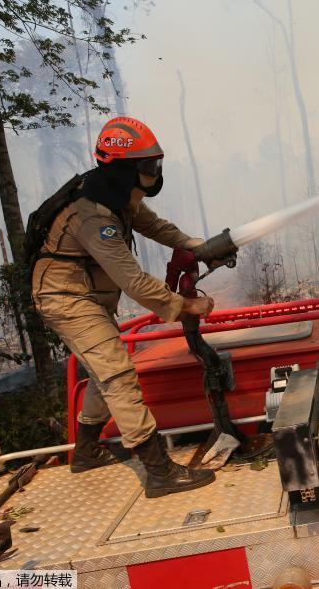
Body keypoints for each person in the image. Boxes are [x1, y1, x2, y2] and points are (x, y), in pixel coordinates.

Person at [31, 116, 216, 498]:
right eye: (147, 166)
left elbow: (155, 225)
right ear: (124, 168)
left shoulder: (114, 194)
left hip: (86, 296)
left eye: (155, 164)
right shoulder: (94, 214)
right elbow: (133, 282)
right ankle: (160, 472)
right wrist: (187, 306)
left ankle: (85, 451)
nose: (154, 173)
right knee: (116, 373)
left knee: (106, 370)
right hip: (66, 299)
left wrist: (200, 246)